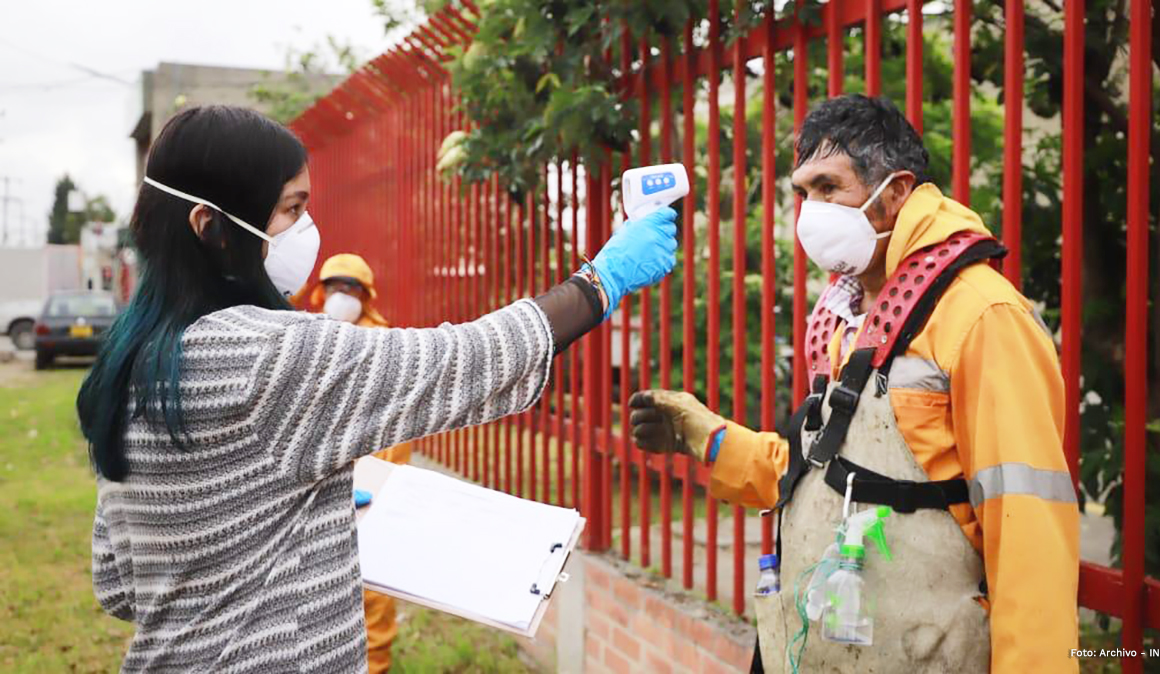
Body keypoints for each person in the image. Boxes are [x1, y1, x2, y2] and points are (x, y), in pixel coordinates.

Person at [78, 104, 678, 673]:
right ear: (209, 226)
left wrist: (285, 519)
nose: (306, 230)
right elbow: (459, 362)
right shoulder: (265, 355)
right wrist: (602, 280)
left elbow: (120, 584)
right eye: (290, 209)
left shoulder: (128, 367)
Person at [629, 95, 1079, 673]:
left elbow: (1029, 532)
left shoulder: (982, 314)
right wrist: (710, 439)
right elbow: (833, 478)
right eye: (802, 192)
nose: (809, 211)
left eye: (828, 187)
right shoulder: (850, 313)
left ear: (894, 192)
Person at [292, 253, 411, 673]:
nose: (343, 296)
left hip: (370, 495)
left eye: (352, 289)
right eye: (335, 287)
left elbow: (396, 431)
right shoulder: (302, 341)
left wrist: (377, 486)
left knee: (372, 602)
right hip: (312, 498)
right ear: (319, 292)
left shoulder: (384, 345)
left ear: (367, 295)